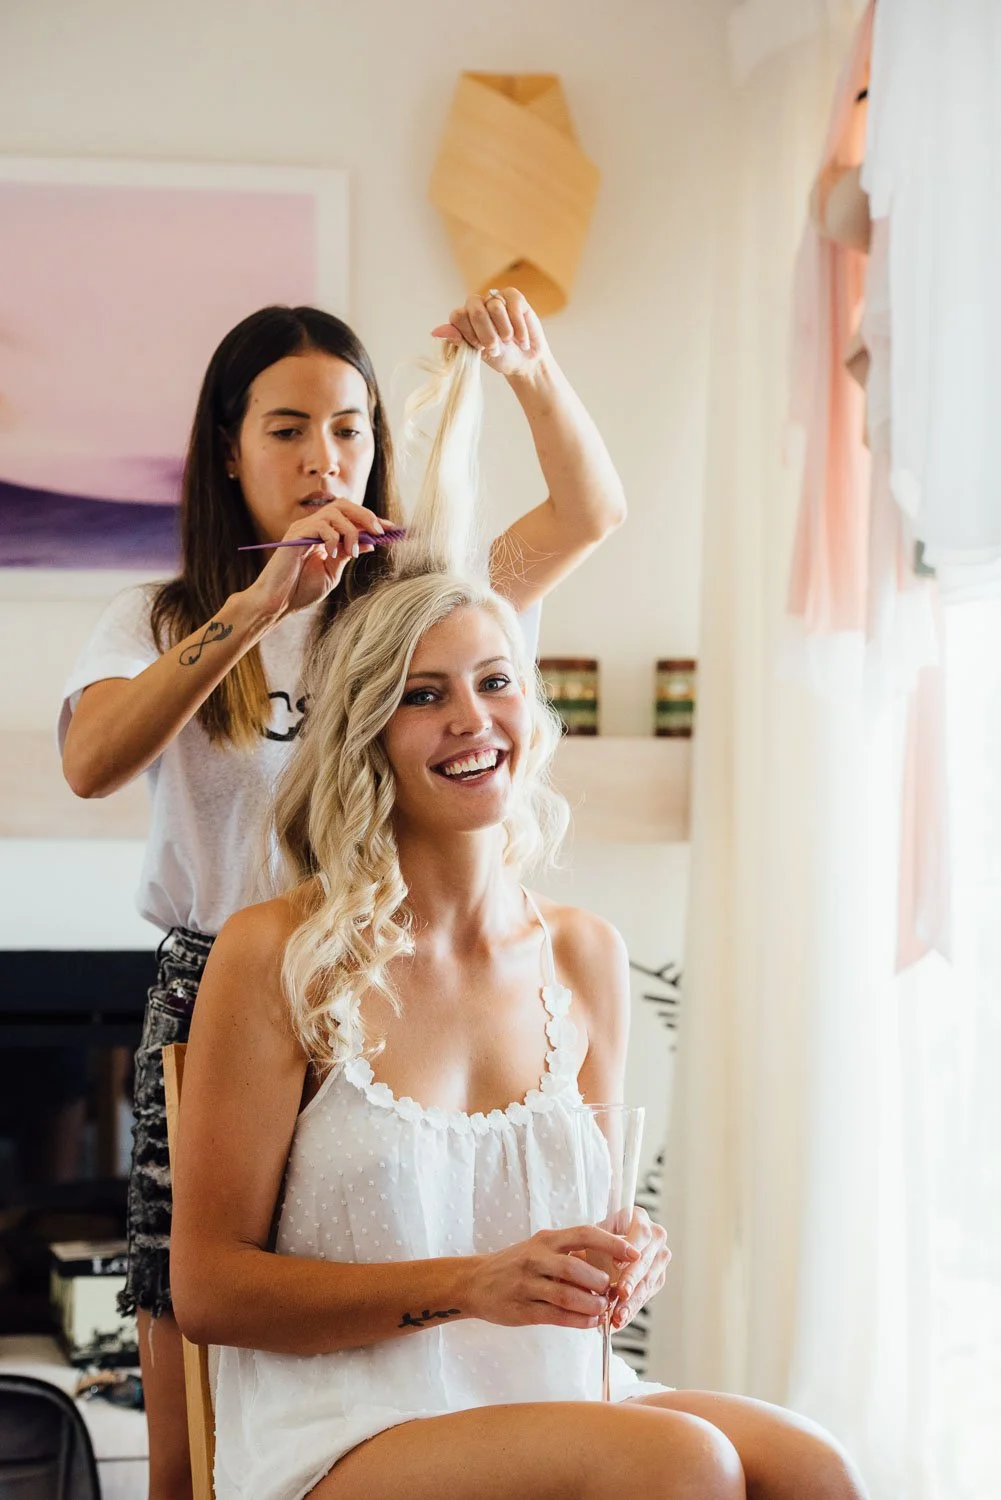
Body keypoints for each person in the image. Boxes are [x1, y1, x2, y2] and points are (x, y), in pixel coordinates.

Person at [170, 344, 869, 1500]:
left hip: (557, 1396)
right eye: (423, 695)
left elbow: (580, 1231)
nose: (471, 721)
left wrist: (620, 1255)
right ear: (365, 735)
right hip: (344, 1429)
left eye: (494, 682)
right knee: (678, 1462)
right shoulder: (279, 956)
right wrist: (468, 1284)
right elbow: (210, 1293)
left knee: (814, 1468)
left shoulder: (582, 955)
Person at [57, 288, 627, 1500]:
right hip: (225, 984)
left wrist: (526, 368)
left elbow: (590, 512)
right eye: (287, 428)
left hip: (400, 988)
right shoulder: (160, 618)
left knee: (439, 1359)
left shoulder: (418, 606)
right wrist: (258, 607)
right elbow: (93, 761)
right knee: (186, 1437)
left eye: (353, 426)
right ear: (227, 446)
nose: (327, 455)